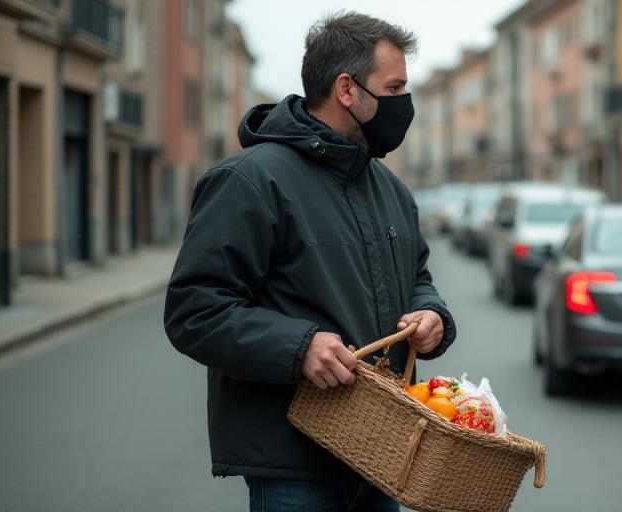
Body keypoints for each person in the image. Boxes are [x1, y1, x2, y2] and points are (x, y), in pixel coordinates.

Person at [163, 11, 455, 512]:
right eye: (395, 87)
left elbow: (418, 277)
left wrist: (431, 315)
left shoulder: (390, 189)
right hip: (293, 467)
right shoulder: (250, 181)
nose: (404, 104)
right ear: (347, 89)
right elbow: (195, 311)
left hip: (383, 459)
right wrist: (299, 348)